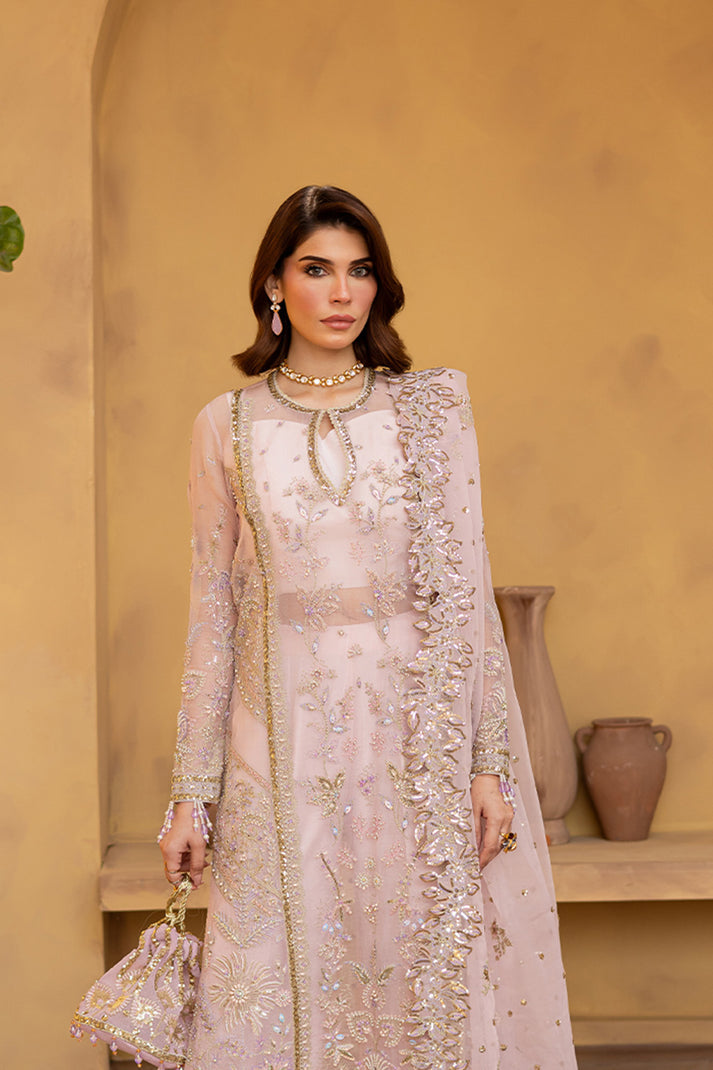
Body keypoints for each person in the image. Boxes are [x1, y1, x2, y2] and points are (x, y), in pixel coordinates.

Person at [158, 185, 577, 1069]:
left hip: (414, 744)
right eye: (317, 269)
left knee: (417, 978)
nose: (342, 292)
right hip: (277, 747)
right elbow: (212, 618)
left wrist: (487, 764)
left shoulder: (428, 413)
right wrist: (191, 791)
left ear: (380, 286)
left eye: (360, 271)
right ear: (274, 283)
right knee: (284, 977)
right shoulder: (224, 426)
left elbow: (465, 599)